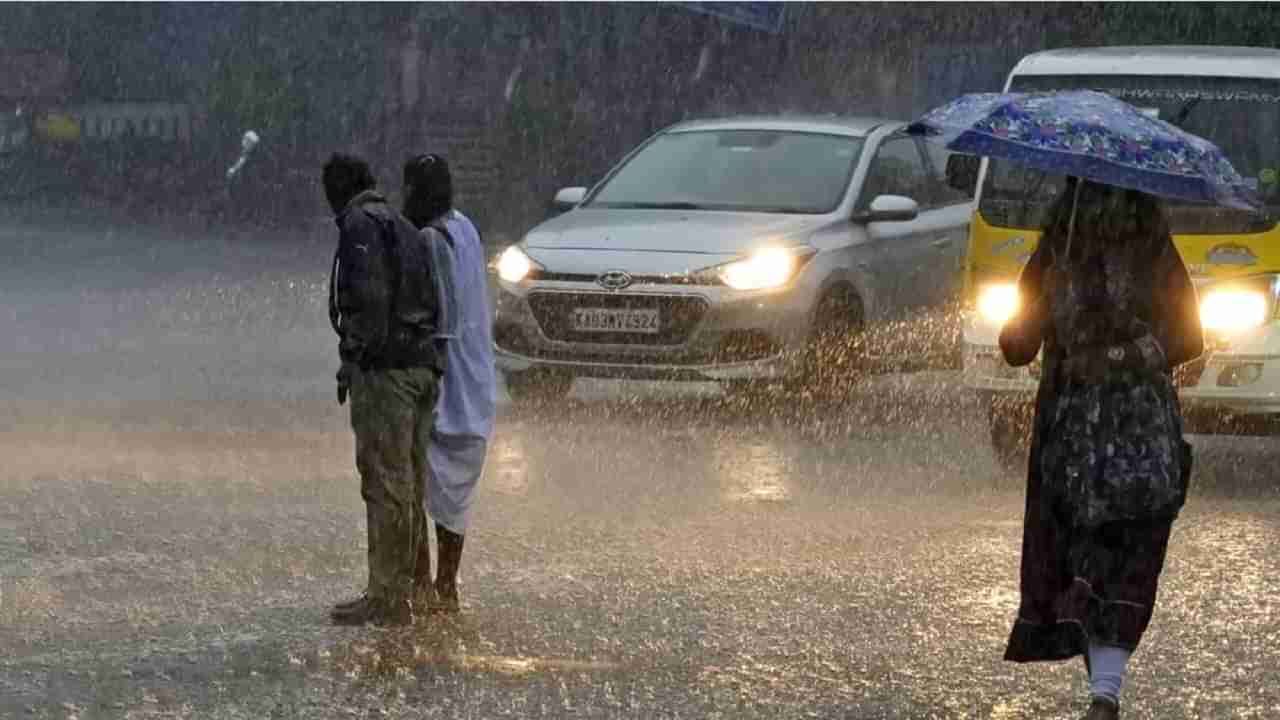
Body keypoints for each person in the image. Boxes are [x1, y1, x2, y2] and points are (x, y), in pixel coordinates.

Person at [997, 178, 1204, 719]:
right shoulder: (1151, 247)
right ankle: (1104, 695)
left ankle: (1104, 695)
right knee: (1128, 558)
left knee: (1087, 555)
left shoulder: (1061, 250)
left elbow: (1015, 348)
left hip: (1079, 438)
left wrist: (1048, 311)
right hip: (1135, 436)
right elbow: (1189, 340)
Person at [323, 152, 446, 626]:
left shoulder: (358, 225)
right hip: (422, 368)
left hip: (388, 373)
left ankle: (387, 597)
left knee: (384, 484)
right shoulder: (402, 224)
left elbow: (370, 303)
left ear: (335, 189)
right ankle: (412, 587)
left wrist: (352, 358)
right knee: (410, 485)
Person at [402, 153, 497, 614]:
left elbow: (444, 318)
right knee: (455, 493)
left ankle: (426, 582)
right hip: (476, 374)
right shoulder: (466, 227)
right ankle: (446, 584)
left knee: (417, 481)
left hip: (448, 376)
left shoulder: (429, 237)